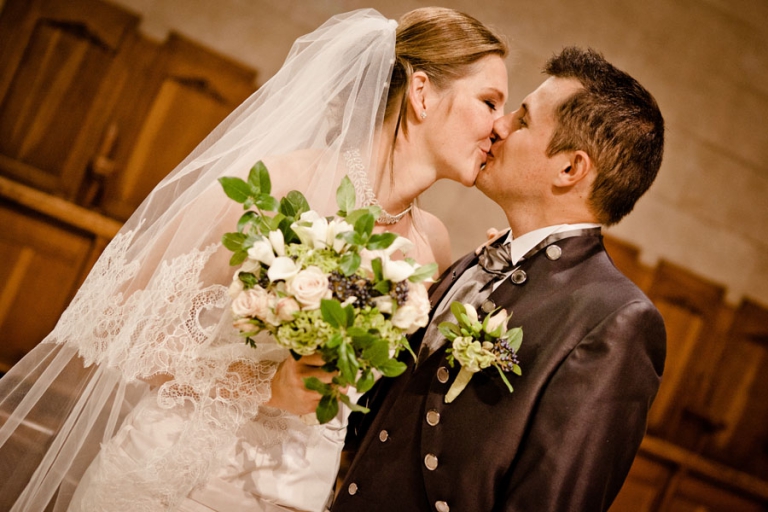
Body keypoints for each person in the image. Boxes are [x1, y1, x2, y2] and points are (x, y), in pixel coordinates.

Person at [0, 7, 508, 512]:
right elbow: (123, 324)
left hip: (300, 492)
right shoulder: (285, 185)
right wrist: (265, 384)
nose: (500, 127)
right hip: (178, 483)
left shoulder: (431, 246)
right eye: (489, 102)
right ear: (421, 93)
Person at [332, 46, 666, 512]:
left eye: (523, 120)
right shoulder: (477, 262)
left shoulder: (614, 319)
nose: (499, 126)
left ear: (570, 168)